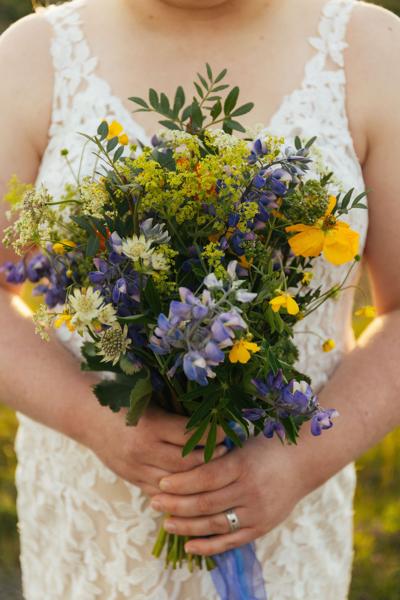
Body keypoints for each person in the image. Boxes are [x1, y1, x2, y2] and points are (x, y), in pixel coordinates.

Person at [0, 0, 399, 598]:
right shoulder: (33, 54)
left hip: (287, 519)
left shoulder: (372, 48)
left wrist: (295, 465)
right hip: (96, 527)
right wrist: (92, 418)